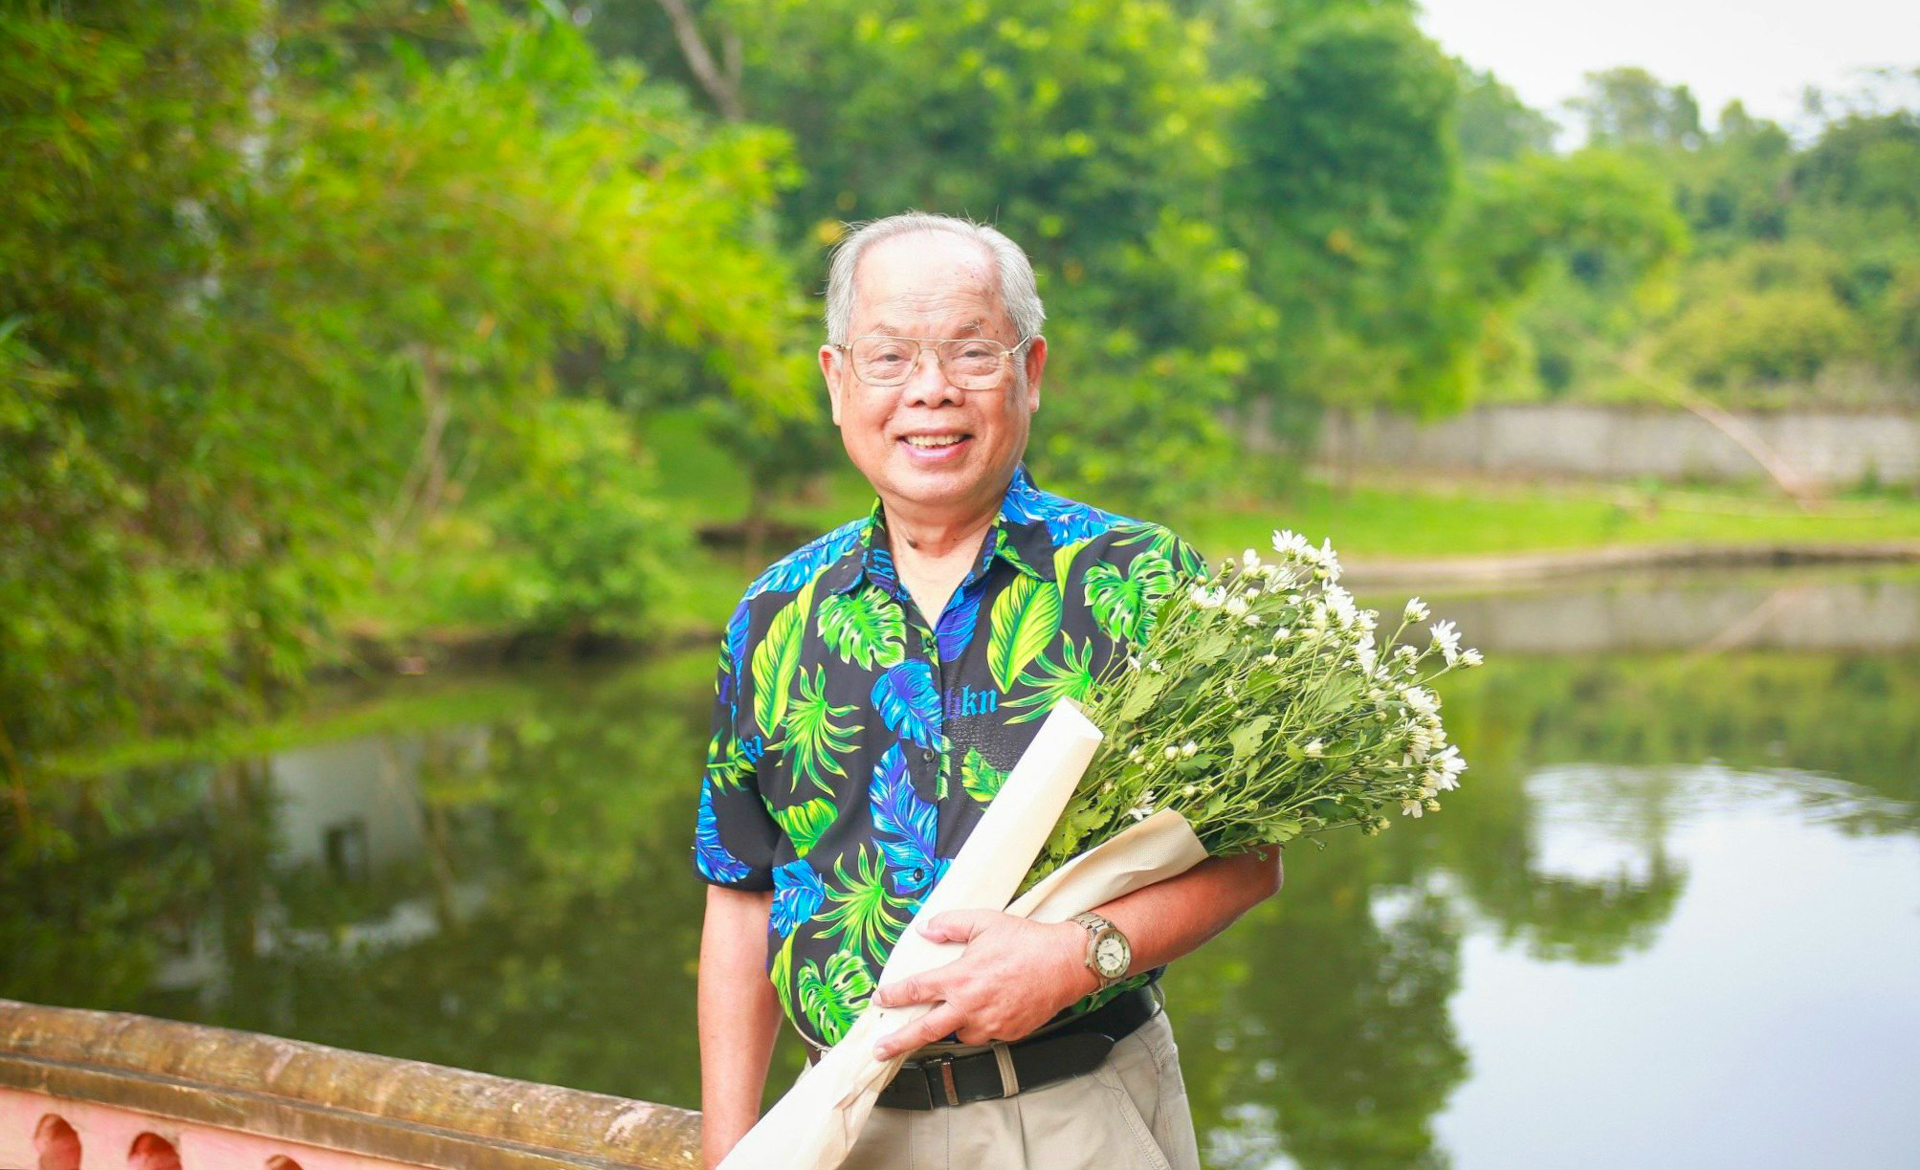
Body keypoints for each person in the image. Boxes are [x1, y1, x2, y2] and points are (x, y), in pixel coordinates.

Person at [693, 212, 1282, 1170]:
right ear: (838, 382)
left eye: (972, 351)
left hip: (1068, 1116)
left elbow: (1250, 859)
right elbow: (741, 891)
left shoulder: (1142, 583)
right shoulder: (774, 614)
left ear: (1032, 371)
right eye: (890, 357)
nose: (931, 390)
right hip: (832, 1126)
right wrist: (730, 1150)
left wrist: (1077, 953)